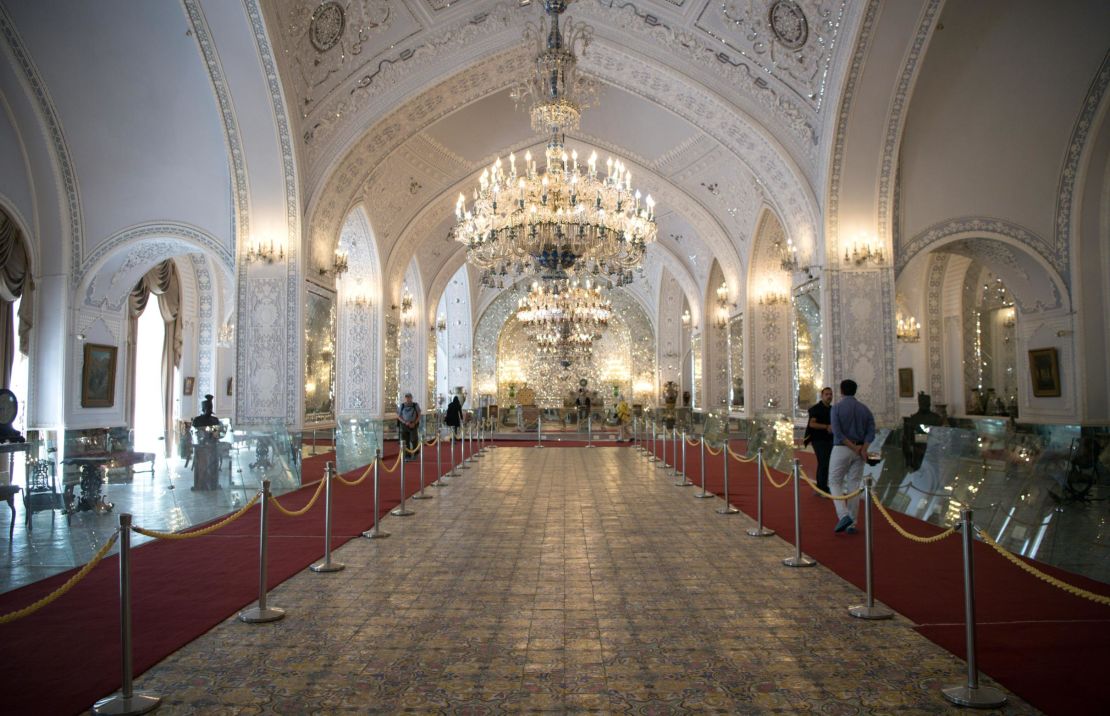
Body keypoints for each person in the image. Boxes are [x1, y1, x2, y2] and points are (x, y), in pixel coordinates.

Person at [828, 379, 875, 534]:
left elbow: (838, 433)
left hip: (842, 448)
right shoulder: (864, 409)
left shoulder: (836, 408)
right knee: (854, 485)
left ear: (841, 391)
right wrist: (863, 448)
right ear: (855, 391)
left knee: (834, 482)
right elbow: (871, 431)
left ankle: (844, 515)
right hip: (860, 450)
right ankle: (852, 523)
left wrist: (853, 447)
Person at [805, 387, 834, 495]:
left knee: (825, 463)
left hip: (830, 439)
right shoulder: (816, 409)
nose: (829, 396)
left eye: (830, 394)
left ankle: (821, 486)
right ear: (822, 396)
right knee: (824, 463)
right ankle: (822, 488)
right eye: (826, 394)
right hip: (819, 440)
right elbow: (812, 424)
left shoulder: (832, 409)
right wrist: (827, 426)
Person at [191, 395, 223, 490]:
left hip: (213, 446)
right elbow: (194, 432)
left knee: (213, 465)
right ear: (203, 408)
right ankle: (200, 484)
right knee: (201, 466)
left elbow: (217, 433)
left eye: (210, 408)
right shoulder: (197, 420)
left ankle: (213, 483)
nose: (209, 410)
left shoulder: (215, 420)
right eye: (208, 408)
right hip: (201, 447)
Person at [397, 392, 421, 461]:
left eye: (409, 397)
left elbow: (419, 414)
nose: (408, 399)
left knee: (414, 439)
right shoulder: (402, 405)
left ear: (411, 398)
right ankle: (407, 455)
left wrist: (414, 423)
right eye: (406, 397)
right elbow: (399, 416)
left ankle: (415, 453)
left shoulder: (415, 405)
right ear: (405, 398)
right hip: (404, 425)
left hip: (413, 425)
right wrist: (405, 422)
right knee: (405, 441)